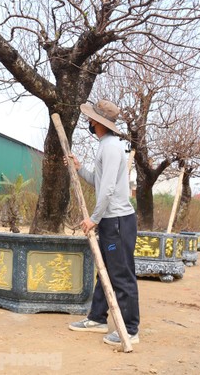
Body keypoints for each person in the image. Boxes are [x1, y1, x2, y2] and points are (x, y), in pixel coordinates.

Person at [66, 99, 140, 347]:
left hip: (117, 221)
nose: (88, 121)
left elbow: (107, 190)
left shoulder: (110, 147)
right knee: (105, 272)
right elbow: (99, 182)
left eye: (90, 118)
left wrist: (93, 219)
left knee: (122, 276)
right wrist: (79, 169)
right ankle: (97, 318)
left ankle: (129, 329)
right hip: (112, 221)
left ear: (98, 122)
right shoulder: (106, 146)